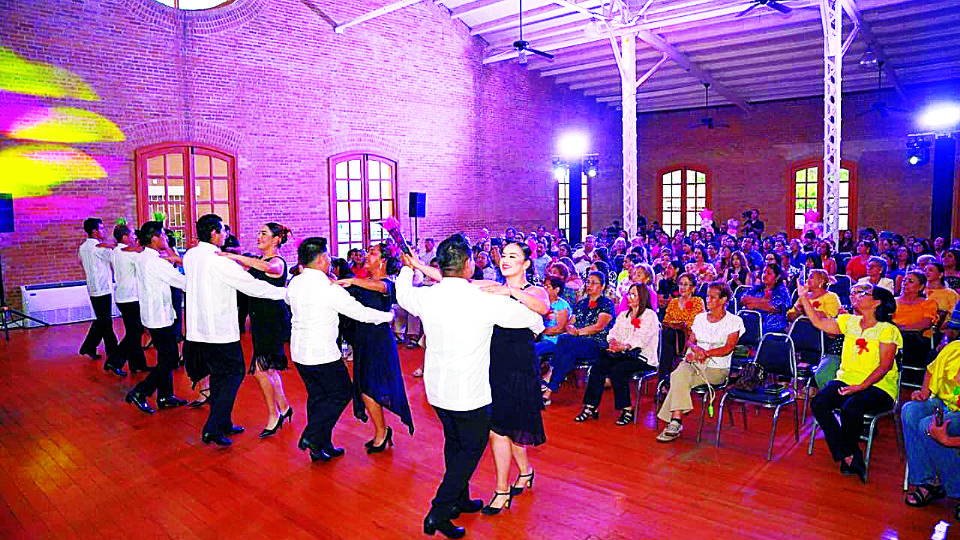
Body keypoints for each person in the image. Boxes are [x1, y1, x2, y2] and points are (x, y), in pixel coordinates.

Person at [395, 234, 544, 539]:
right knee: (471, 450)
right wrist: (514, 299)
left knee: (454, 442)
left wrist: (409, 268)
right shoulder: (484, 300)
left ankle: (459, 501)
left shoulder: (428, 296)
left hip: (437, 391)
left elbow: (402, 294)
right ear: (468, 265)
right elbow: (535, 320)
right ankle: (439, 511)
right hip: (469, 393)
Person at [182, 214, 287, 447]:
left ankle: (223, 422)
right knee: (233, 374)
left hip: (199, 329)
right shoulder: (219, 261)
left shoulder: (191, 255)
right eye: (223, 230)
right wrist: (286, 294)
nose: (226, 235)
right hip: (219, 330)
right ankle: (213, 427)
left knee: (220, 375)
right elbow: (252, 287)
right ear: (214, 233)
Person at [286, 237, 395, 462]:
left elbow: (288, 300)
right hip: (321, 354)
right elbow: (359, 313)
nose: (330, 260)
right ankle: (312, 435)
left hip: (299, 352)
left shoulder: (295, 283)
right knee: (341, 393)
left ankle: (321, 446)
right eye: (327, 256)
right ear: (321, 259)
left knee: (318, 396)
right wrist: (388, 316)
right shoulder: (328, 288)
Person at [471, 241, 549, 515]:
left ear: (526, 263)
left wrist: (510, 291)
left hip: (519, 365)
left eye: (513, 256)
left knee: (499, 428)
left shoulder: (534, 290)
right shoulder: (492, 286)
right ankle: (525, 472)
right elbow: (454, 280)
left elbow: (542, 308)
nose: (505, 259)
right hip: (494, 361)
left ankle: (502, 491)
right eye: (503, 255)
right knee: (509, 426)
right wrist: (418, 265)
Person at [801, 281, 902, 482]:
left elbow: (884, 367)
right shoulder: (849, 321)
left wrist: (861, 387)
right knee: (819, 403)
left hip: (878, 386)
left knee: (851, 407)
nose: (857, 295)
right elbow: (818, 323)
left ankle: (849, 456)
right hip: (847, 379)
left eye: (865, 294)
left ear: (877, 303)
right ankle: (849, 454)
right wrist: (803, 297)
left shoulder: (887, 330)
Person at [336, 243, 414, 453]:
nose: (367, 255)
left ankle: (382, 432)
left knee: (369, 387)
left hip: (378, 341)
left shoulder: (386, 283)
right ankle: (381, 430)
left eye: (372, 253)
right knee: (365, 386)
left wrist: (352, 280)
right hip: (362, 339)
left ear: (383, 261)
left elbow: (381, 288)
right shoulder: (363, 282)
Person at [218, 223, 294, 438]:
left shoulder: (277, 261)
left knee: (260, 371)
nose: (259, 236)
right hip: (261, 320)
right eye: (259, 232)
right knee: (269, 370)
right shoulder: (260, 260)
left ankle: (274, 415)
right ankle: (284, 408)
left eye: (264, 233)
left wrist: (234, 256)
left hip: (273, 320)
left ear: (276, 239)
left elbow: (269, 269)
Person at [656, 281, 744, 442]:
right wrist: (696, 350)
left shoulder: (734, 321)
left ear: (723, 300)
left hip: (716, 368)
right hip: (694, 362)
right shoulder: (700, 318)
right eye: (707, 296)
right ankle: (676, 420)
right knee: (679, 374)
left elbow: (728, 348)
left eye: (712, 297)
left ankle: (674, 422)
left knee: (678, 378)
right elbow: (690, 342)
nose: (708, 300)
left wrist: (706, 353)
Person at [901, 303, 960, 520]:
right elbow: (931, 369)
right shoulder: (954, 348)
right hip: (946, 403)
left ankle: (957, 489)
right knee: (911, 411)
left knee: (928, 425)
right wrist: (924, 392)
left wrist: (948, 440)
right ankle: (928, 481)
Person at [124, 221, 189, 414]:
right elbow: (183, 282)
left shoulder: (143, 257)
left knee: (164, 356)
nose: (166, 238)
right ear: (154, 238)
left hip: (153, 313)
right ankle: (141, 391)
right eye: (163, 235)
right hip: (159, 316)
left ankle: (165, 396)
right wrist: (179, 261)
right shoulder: (156, 262)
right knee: (169, 359)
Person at [577, 284, 659, 425]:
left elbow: (641, 339)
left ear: (642, 297)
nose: (629, 297)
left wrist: (623, 346)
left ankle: (627, 408)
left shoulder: (650, 315)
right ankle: (590, 406)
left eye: (633, 294)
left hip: (642, 357)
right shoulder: (623, 315)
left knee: (618, 370)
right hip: (622, 353)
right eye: (629, 294)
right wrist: (613, 342)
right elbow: (613, 332)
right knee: (599, 365)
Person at [541, 271, 615, 405]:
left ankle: (550, 377)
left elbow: (599, 326)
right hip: (575, 343)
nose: (589, 285)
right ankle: (550, 389)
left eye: (594, 283)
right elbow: (570, 322)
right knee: (568, 349)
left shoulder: (606, 304)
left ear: (602, 286)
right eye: (588, 282)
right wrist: (570, 328)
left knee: (565, 341)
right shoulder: (581, 303)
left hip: (595, 343)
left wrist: (578, 332)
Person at [78, 217, 124, 374]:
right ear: (94, 231)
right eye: (101, 228)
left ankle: (88, 347)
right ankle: (114, 354)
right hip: (102, 289)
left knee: (102, 319)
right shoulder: (99, 248)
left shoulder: (83, 247)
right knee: (106, 323)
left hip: (93, 287)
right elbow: (114, 258)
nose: (104, 231)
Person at [112, 224, 149, 373]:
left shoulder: (116, 251)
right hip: (130, 297)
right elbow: (145, 260)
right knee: (136, 332)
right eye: (133, 234)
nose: (135, 237)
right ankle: (115, 361)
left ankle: (138, 364)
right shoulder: (129, 254)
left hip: (122, 297)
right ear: (125, 237)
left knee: (133, 331)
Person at [740, 263, 792, 334]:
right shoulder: (757, 288)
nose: (764, 275)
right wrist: (765, 302)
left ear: (777, 277)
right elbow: (743, 299)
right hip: (751, 323)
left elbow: (775, 307)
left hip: (773, 327)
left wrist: (754, 304)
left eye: (768, 273)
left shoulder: (782, 290)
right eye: (764, 272)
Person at [535, 276, 570, 359]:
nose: (544, 289)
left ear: (556, 290)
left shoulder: (562, 306)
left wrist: (540, 331)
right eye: (544, 286)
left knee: (532, 350)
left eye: (548, 287)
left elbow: (559, 328)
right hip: (540, 338)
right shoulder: (541, 303)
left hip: (553, 341)